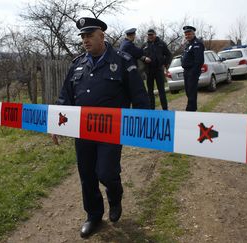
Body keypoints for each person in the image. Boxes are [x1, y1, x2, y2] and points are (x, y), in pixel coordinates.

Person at [53, 17, 149, 238]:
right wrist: (56, 123)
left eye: (89, 35)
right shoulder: (77, 64)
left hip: (111, 131)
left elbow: (140, 97)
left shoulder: (123, 61)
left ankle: (115, 197)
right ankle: (94, 216)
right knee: (87, 174)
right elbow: (64, 97)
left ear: (102, 36)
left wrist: (143, 126)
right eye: (83, 37)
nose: (85, 40)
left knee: (105, 172)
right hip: (82, 131)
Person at [142, 29, 172, 110]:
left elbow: (169, 55)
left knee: (161, 90)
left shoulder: (161, 44)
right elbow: (140, 55)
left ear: (155, 34)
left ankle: (165, 109)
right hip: (149, 71)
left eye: (152, 34)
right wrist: (144, 58)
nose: (150, 36)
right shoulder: (145, 45)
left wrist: (165, 64)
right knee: (150, 91)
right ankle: (152, 109)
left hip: (159, 70)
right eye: (149, 35)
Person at [181, 26, 205, 111]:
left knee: (191, 91)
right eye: (186, 34)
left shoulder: (197, 43)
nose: (187, 36)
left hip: (192, 71)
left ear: (193, 33)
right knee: (188, 91)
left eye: (189, 34)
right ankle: (192, 108)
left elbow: (199, 61)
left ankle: (190, 109)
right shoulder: (188, 44)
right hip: (186, 71)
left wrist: (193, 72)